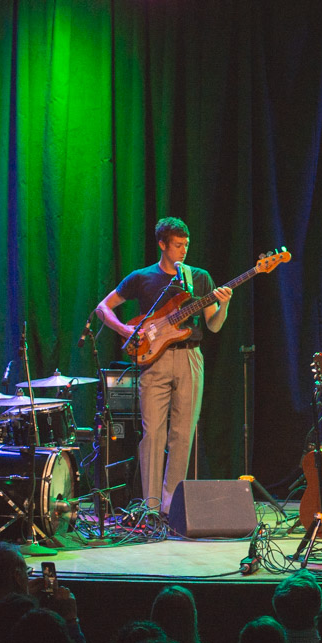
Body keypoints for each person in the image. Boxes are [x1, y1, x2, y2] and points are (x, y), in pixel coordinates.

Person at [96, 217, 232, 514]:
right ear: (162, 245)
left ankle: (171, 508)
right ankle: (151, 506)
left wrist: (225, 304)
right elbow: (103, 307)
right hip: (154, 360)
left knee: (183, 433)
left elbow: (214, 325)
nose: (184, 250)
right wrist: (124, 329)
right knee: (153, 433)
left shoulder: (200, 277)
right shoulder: (143, 277)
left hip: (189, 356)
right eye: (178, 245)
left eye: (186, 245)